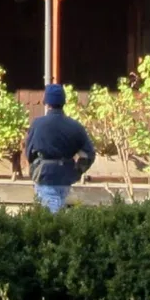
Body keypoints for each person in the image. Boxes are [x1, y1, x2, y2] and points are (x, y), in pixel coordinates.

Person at [23, 84, 95, 213]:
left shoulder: (38, 124)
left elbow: (29, 152)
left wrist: (35, 167)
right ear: (63, 102)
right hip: (66, 177)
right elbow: (89, 154)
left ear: (46, 102)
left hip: (45, 176)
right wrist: (77, 171)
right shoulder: (75, 126)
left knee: (51, 220)